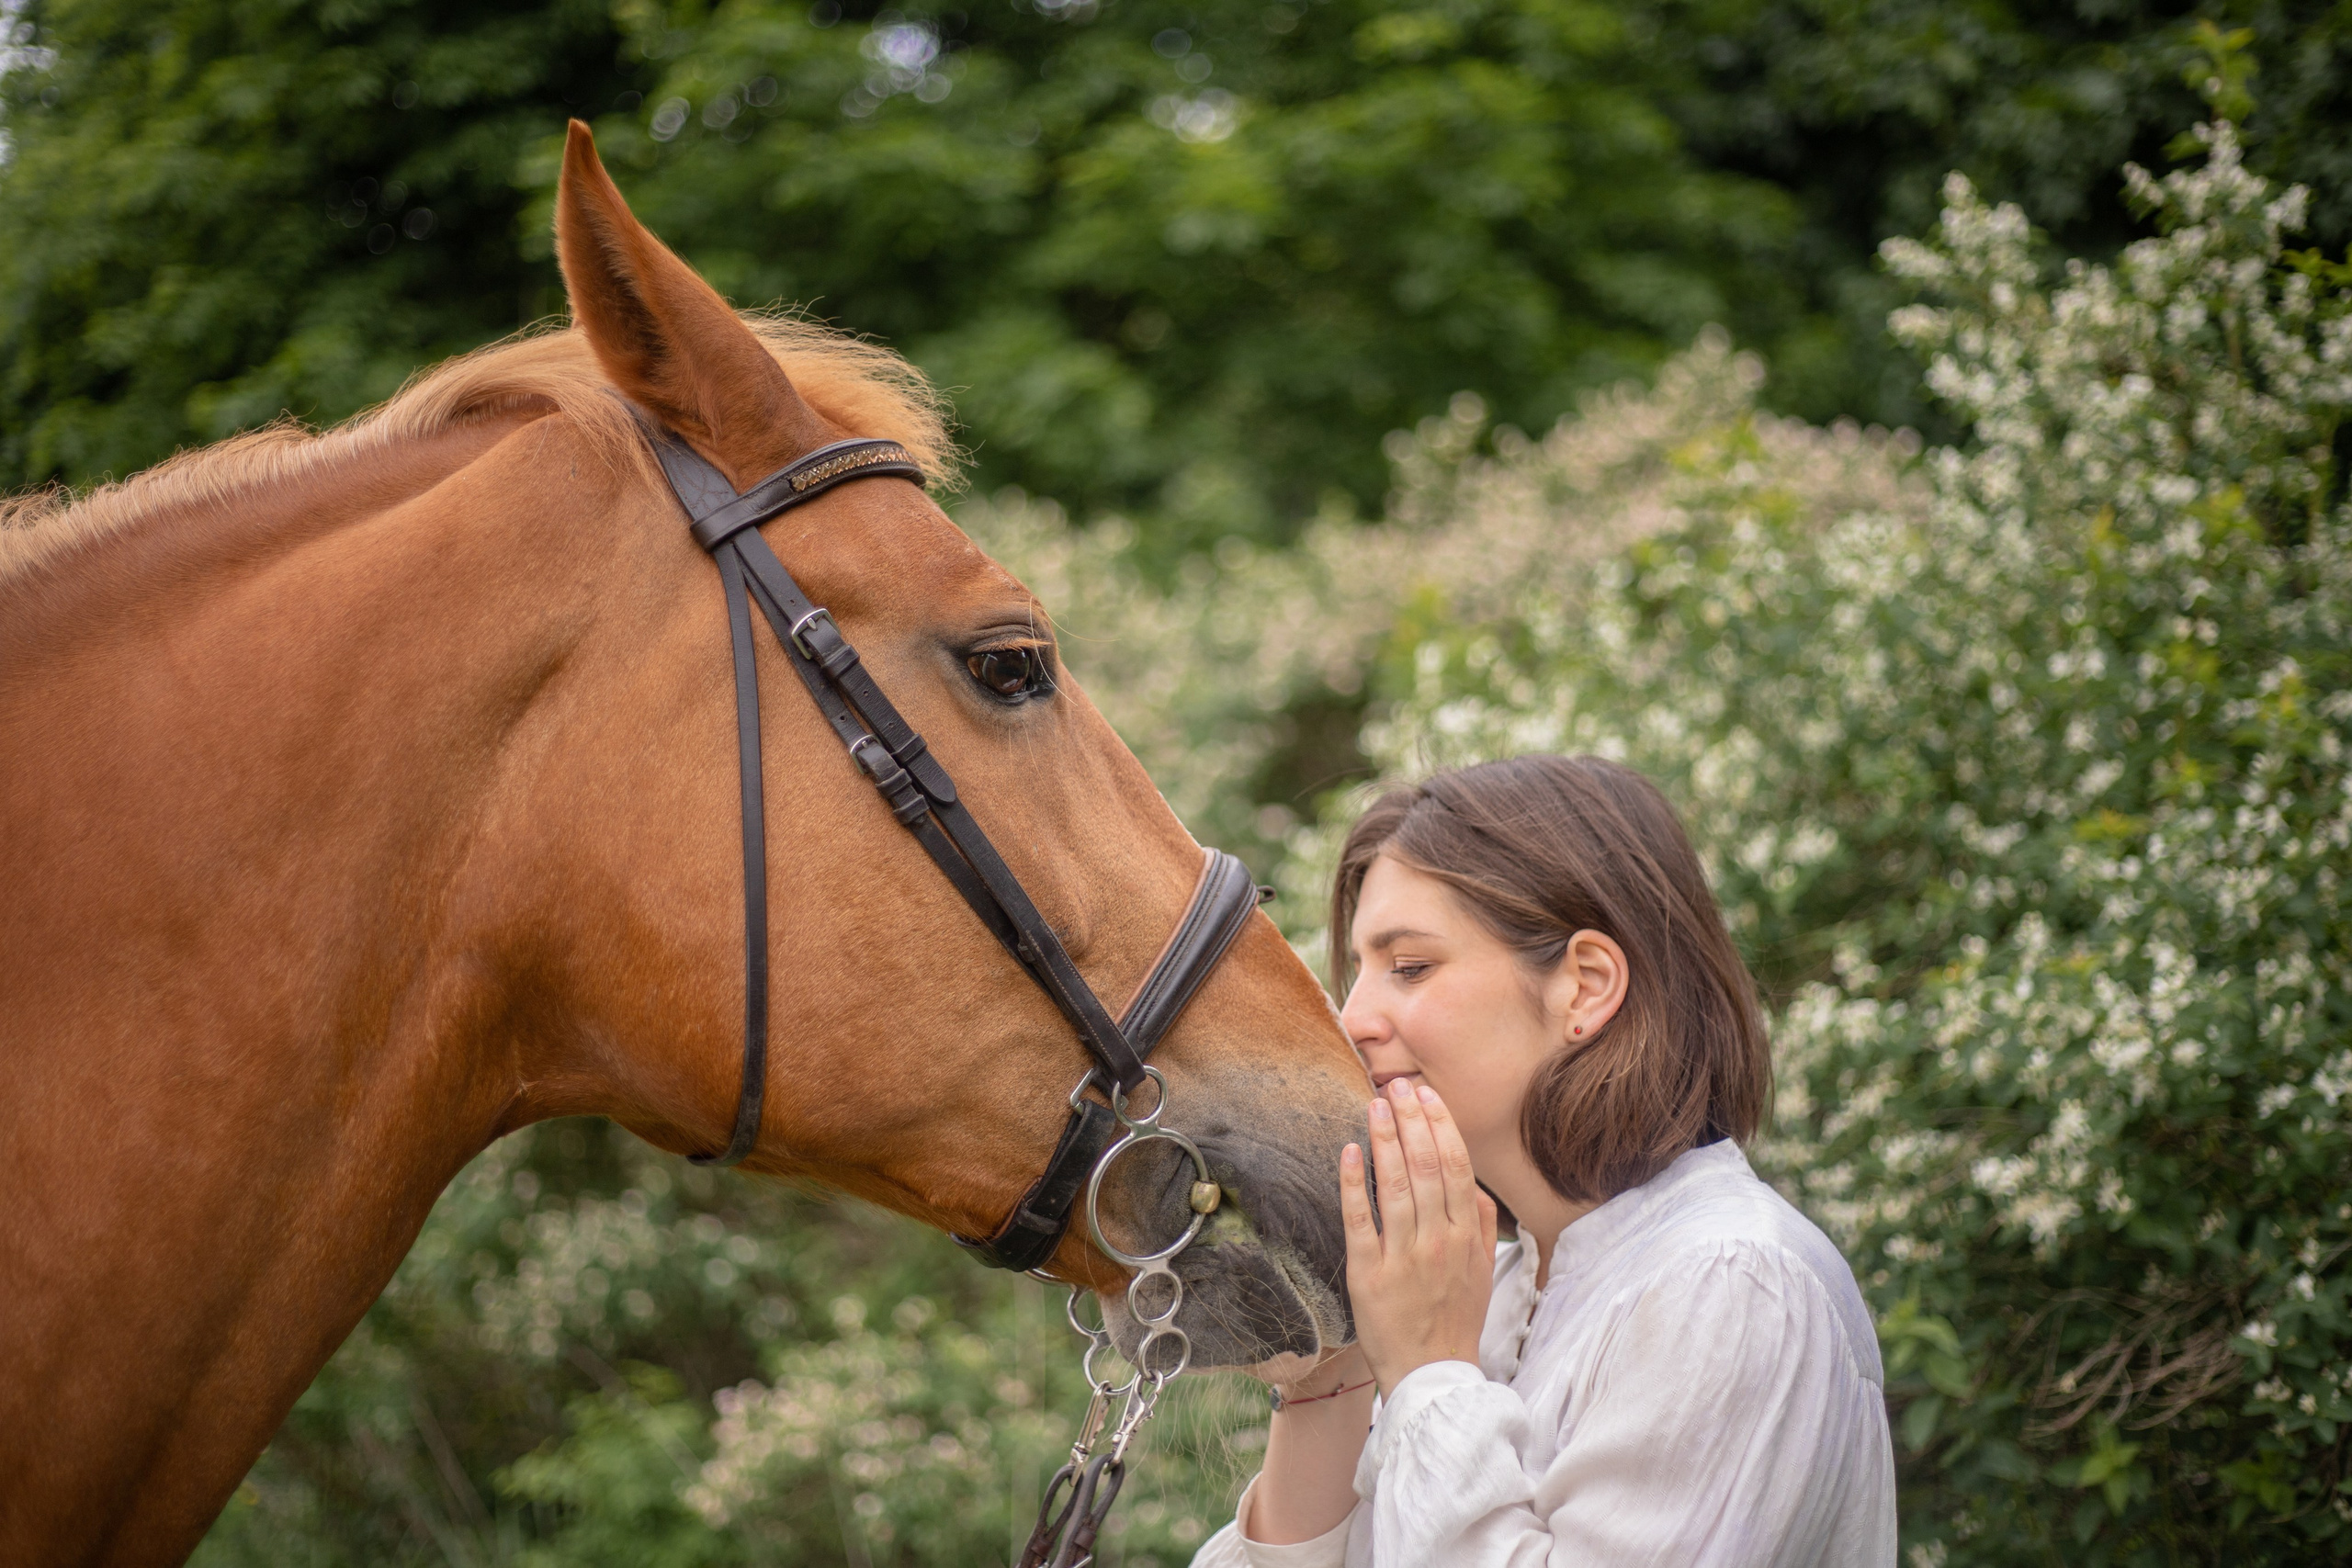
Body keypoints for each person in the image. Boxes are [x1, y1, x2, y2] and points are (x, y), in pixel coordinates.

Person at [1190, 755, 1895, 1566]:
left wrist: (1426, 1372)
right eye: (1358, 973)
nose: (1351, 1020)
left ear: (1586, 986)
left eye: (1410, 966)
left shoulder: (1732, 1283)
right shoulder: (1491, 1293)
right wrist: (1330, 1383)